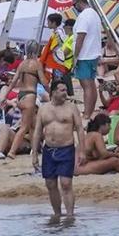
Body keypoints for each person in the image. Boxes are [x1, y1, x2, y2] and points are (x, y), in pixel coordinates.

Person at [32, 79, 82, 221]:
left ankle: (70, 215)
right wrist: (35, 154)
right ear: (53, 92)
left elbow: (79, 128)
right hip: (49, 150)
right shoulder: (43, 108)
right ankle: (57, 214)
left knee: (66, 183)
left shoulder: (71, 107)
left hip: (66, 148)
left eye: (66, 90)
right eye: (62, 90)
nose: (65, 93)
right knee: (50, 184)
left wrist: (82, 151)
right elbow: (37, 132)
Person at [70, 0, 104, 120]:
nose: (74, 7)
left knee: (86, 85)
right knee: (90, 84)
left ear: (79, 2)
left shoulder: (84, 16)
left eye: (74, 4)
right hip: (93, 53)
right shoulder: (94, 13)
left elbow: (81, 36)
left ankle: (87, 113)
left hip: (84, 55)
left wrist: (76, 56)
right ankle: (89, 110)